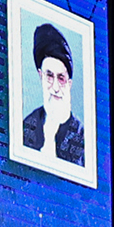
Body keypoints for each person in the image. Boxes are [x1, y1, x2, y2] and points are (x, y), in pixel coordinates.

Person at [21, 23, 85, 164]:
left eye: (61, 78)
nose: (55, 87)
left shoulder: (82, 136)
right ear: (41, 76)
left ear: (69, 83)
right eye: (49, 76)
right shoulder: (26, 127)